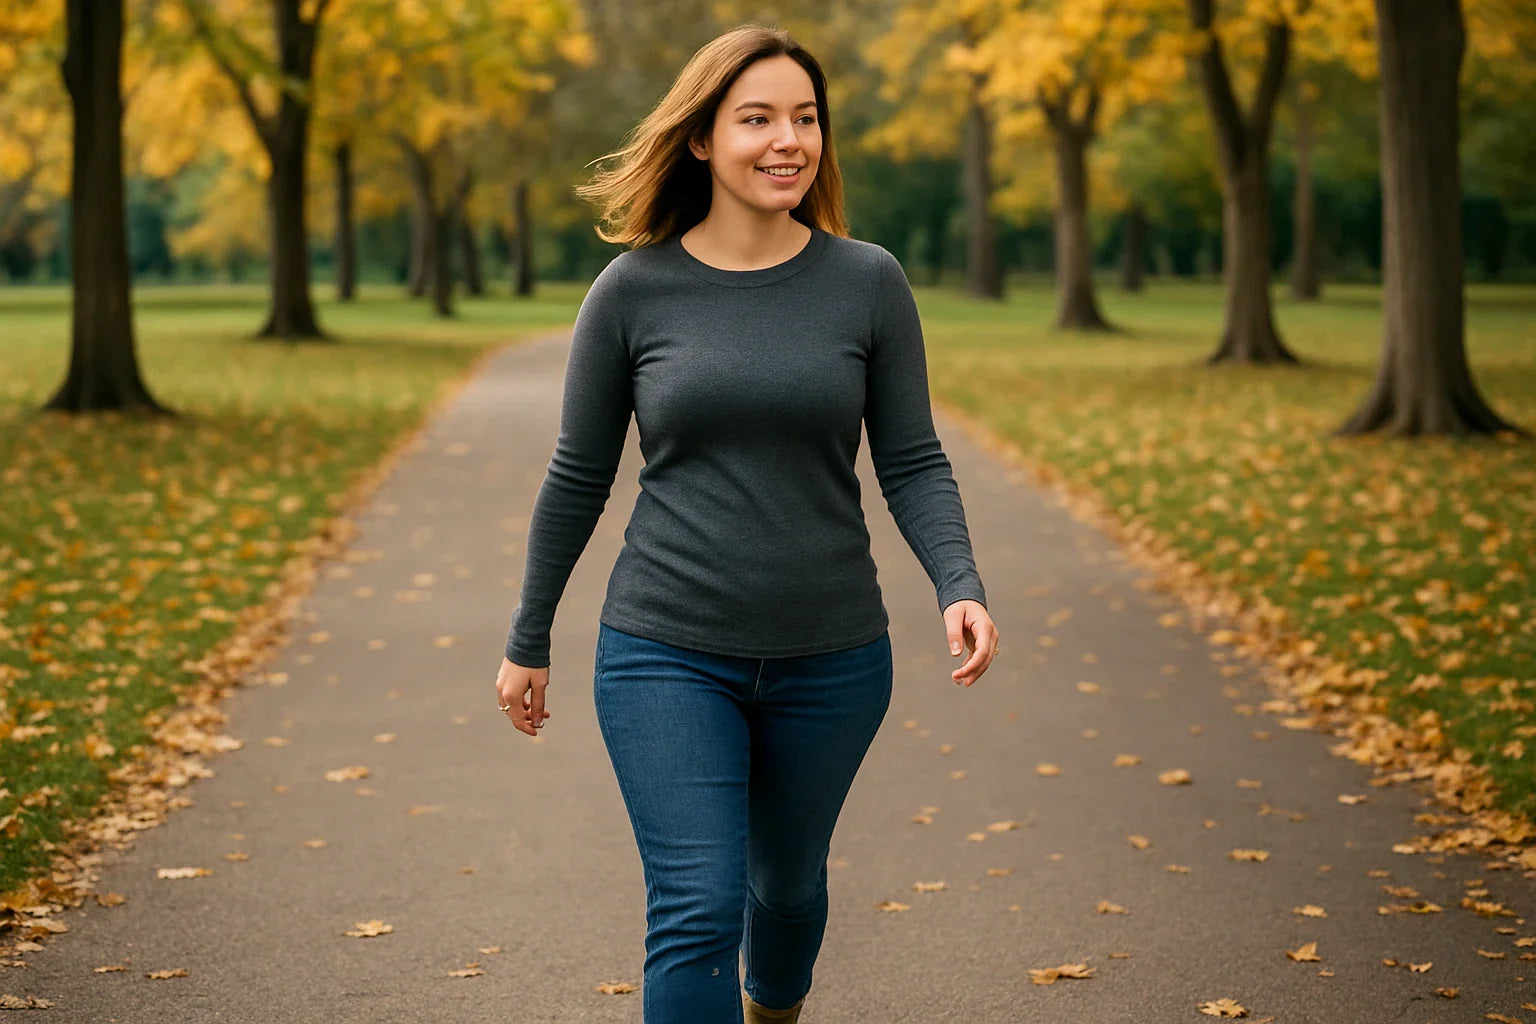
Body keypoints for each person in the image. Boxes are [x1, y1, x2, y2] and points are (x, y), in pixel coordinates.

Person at [493, 23, 1001, 1024]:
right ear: (700, 139)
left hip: (834, 656)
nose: (787, 141)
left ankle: (774, 1007)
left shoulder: (867, 283)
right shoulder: (633, 293)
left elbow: (911, 457)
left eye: (805, 118)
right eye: (757, 118)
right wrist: (528, 635)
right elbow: (577, 473)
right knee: (696, 906)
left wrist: (960, 580)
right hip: (664, 649)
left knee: (787, 889)